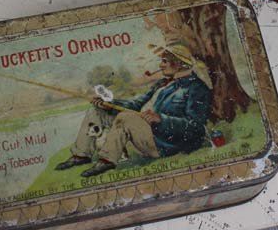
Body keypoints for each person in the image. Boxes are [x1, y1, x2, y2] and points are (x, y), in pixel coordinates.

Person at [54, 43, 213, 178]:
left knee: (125, 118)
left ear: (178, 63)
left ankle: (107, 160)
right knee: (96, 111)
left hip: (164, 144)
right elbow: (136, 104)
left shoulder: (197, 89)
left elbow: (196, 127)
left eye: (165, 61)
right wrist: (109, 104)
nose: (161, 65)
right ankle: (81, 155)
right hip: (146, 131)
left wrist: (161, 119)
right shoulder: (162, 83)